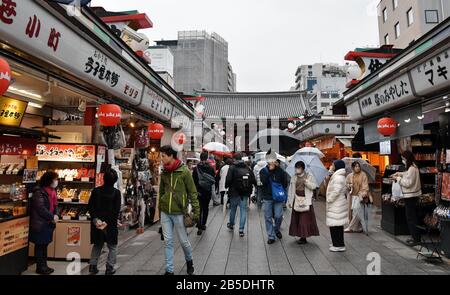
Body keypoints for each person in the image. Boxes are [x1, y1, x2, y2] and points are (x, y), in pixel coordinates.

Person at [159, 145, 200, 275]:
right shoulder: (164, 172)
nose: (161, 159)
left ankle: (189, 261)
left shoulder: (184, 171)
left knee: (183, 241)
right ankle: (169, 270)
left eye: (163, 156)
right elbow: (161, 191)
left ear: (171, 156)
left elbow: (193, 192)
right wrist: (160, 206)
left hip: (179, 213)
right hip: (165, 212)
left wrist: (196, 211)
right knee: (168, 242)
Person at [88, 168, 122, 275]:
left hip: (97, 223)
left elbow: (90, 206)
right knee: (112, 246)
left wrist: (95, 219)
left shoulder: (96, 191)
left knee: (98, 244)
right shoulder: (116, 193)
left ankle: (93, 266)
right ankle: (109, 267)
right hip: (110, 224)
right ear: (115, 180)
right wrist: (108, 222)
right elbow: (116, 211)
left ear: (103, 178)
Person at [30, 171, 59, 275]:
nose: (56, 181)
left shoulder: (52, 191)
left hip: (48, 223)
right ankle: (40, 267)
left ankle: (44, 265)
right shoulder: (39, 192)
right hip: (40, 223)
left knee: (44, 245)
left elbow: (55, 205)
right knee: (40, 245)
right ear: (49, 180)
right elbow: (40, 208)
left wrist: (55, 215)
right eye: (55, 179)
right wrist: (52, 216)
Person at [391, 150, 422, 246]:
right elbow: (407, 175)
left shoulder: (412, 168)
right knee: (411, 217)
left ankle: (416, 238)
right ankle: (415, 236)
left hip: (411, 196)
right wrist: (399, 174)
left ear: (407, 158)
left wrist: (398, 179)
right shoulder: (412, 167)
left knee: (411, 217)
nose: (403, 161)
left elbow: (408, 183)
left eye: (403, 159)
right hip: (411, 195)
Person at [288, 161, 320, 244]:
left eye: (298, 168)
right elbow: (291, 190)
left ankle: (303, 237)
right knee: (297, 218)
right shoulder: (294, 177)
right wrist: (290, 201)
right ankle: (298, 234)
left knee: (304, 219)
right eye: (296, 168)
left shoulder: (308, 175)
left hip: (306, 199)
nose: (297, 169)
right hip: (296, 198)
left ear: (302, 168)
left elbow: (314, 186)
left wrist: (306, 182)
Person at [260, 155, 289, 244]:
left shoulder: (280, 171)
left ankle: (276, 229)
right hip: (267, 197)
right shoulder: (263, 171)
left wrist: (280, 191)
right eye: (270, 161)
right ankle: (271, 236)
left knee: (278, 216)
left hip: (278, 197)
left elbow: (285, 182)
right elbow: (263, 182)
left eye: (273, 161)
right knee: (268, 217)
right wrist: (269, 171)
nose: (271, 162)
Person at [225, 153, 256, 237]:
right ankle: (241, 229)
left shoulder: (232, 167)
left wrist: (226, 186)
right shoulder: (247, 167)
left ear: (234, 159)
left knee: (233, 209)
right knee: (243, 210)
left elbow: (228, 179)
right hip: (244, 193)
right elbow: (253, 179)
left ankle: (231, 224)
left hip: (234, 192)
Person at [326, 160, 348, 252]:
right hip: (337, 204)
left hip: (336, 204)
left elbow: (336, 191)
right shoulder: (337, 176)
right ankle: (337, 243)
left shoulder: (338, 177)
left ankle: (339, 245)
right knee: (336, 225)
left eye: (333, 164)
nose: (332, 165)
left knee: (336, 226)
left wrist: (329, 199)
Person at [193, 151, 216, 235]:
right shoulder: (210, 168)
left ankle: (199, 225)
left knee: (199, 208)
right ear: (207, 158)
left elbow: (194, 181)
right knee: (206, 208)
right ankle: (203, 224)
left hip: (199, 191)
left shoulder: (196, 168)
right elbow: (213, 179)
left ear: (200, 158)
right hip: (207, 191)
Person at [345, 162, 369, 233]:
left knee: (357, 210)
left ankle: (351, 227)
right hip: (351, 195)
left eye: (358, 166)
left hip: (359, 195)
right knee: (351, 212)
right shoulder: (349, 175)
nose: (357, 168)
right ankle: (359, 228)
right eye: (356, 166)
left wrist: (362, 193)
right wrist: (349, 185)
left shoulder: (363, 175)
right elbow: (346, 184)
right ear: (352, 167)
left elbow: (365, 186)